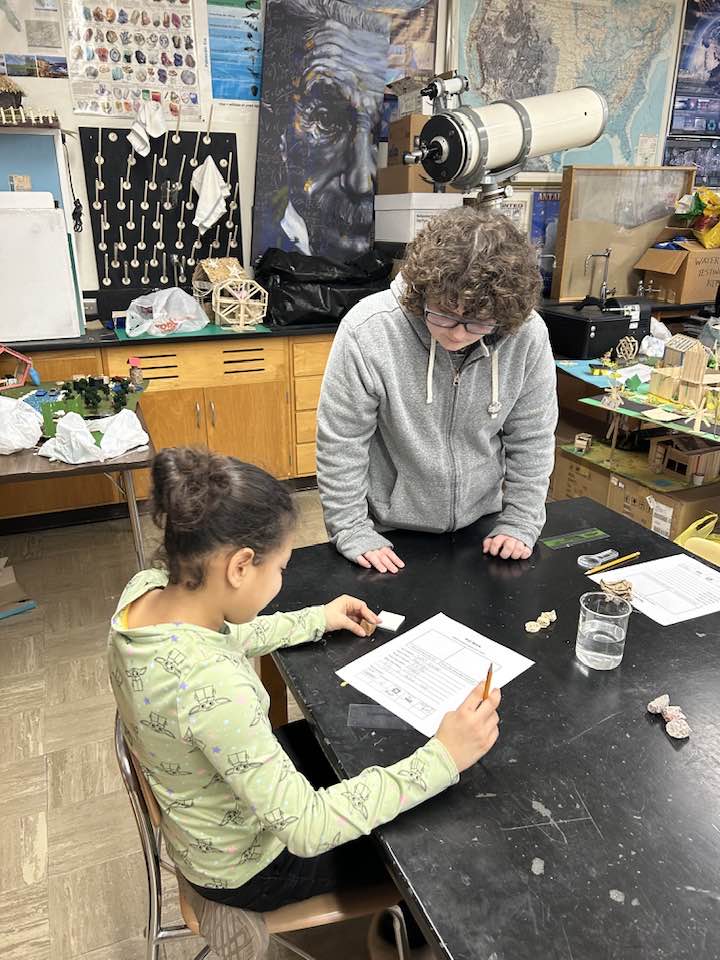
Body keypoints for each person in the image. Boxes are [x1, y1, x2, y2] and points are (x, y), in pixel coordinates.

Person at [108, 447, 501, 919]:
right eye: (279, 569)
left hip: (207, 815)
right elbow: (307, 828)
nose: (280, 580)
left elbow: (228, 636)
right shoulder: (213, 690)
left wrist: (318, 618)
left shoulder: (148, 592)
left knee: (355, 755)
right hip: (252, 867)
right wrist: (444, 757)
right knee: (438, 830)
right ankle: (407, 941)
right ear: (239, 566)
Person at [316, 206, 558, 574]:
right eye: (444, 314)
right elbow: (342, 442)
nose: (458, 334)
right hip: (390, 530)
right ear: (421, 293)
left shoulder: (526, 335)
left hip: (483, 527)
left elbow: (533, 437)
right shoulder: (369, 330)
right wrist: (350, 528)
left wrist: (522, 520)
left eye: (477, 323)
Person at [252, 0, 389, 261]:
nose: (361, 181)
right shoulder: (270, 249)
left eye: (372, 129)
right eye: (327, 119)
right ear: (281, 130)